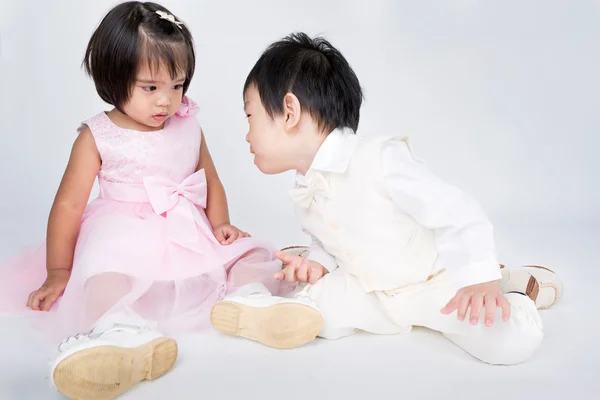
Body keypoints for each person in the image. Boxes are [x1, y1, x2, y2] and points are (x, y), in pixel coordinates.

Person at [210, 32, 564, 364]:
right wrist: (317, 262)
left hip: (431, 281)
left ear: (289, 111)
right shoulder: (306, 185)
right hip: (371, 290)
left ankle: (509, 288)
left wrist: (479, 279)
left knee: (510, 341)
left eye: (250, 116)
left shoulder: (379, 159)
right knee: (319, 315)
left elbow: (458, 213)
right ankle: (257, 305)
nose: (246, 135)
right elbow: (324, 238)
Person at [0, 2, 284, 398]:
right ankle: (121, 337)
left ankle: (249, 304)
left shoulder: (187, 123)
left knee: (249, 253)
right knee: (105, 278)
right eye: (150, 87)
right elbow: (68, 206)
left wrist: (220, 223)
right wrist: (60, 271)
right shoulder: (97, 136)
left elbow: (210, 179)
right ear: (114, 78)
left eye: (177, 85)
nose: (166, 102)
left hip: (185, 232)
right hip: (123, 234)